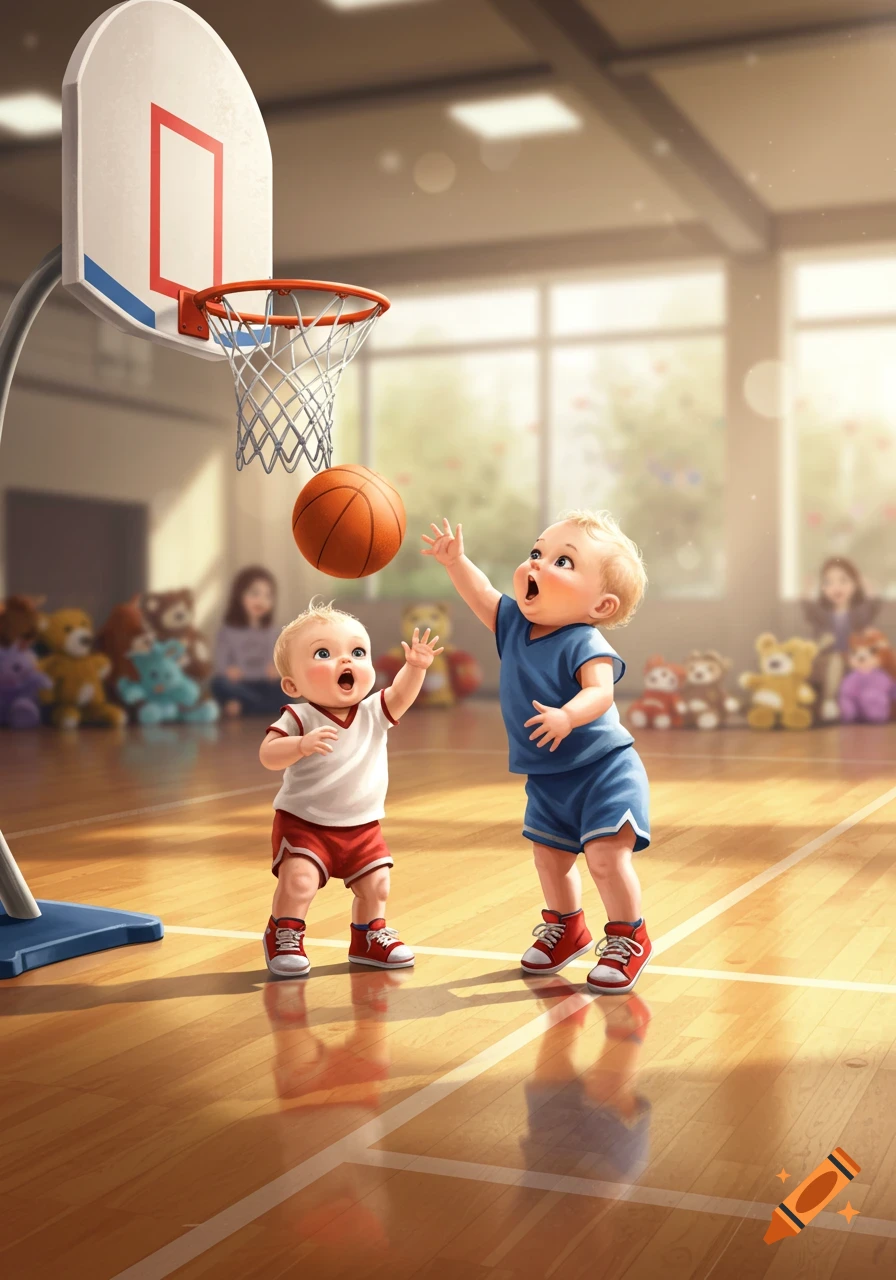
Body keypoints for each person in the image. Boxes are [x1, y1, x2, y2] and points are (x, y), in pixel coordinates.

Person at [423, 510, 651, 995]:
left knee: (606, 859)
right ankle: (568, 927)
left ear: (601, 605)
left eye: (562, 562)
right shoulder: (512, 626)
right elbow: (482, 594)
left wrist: (568, 716)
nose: (537, 566)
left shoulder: (584, 640)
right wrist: (456, 562)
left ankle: (629, 934)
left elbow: (601, 693)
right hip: (549, 775)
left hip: (603, 771)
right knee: (549, 859)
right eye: (536, 553)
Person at [259, 600, 441, 977]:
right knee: (300, 881)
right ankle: (284, 932)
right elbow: (268, 755)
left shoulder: (374, 711)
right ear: (292, 684)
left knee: (377, 885)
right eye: (324, 653)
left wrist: (416, 667)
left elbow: (402, 696)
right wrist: (299, 745)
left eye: (358, 652)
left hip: (362, 825)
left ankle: (368, 937)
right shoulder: (299, 716)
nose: (346, 662)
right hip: (305, 823)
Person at [803, 557, 881, 722]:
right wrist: (806, 592)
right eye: (828, 582)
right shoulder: (822, 615)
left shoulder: (858, 614)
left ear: (855, 584)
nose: (836, 588)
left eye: (843, 581)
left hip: (851, 660)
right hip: (825, 660)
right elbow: (809, 610)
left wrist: (870, 592)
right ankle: (829, 701)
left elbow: (871, 608)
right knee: (835, 658)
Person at [212, 567, 282, 718]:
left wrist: (276, 668)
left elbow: (277, 658)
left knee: (285, 687)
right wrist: (228, 669)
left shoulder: (271, 631)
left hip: (264, 683)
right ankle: (262, 706)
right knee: (218, 684)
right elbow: (221, 660)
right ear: (239, 595)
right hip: (240, 683)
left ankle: (243, 706)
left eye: (268, 596)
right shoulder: (228, 631)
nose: (261, 601)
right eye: (255, 594)